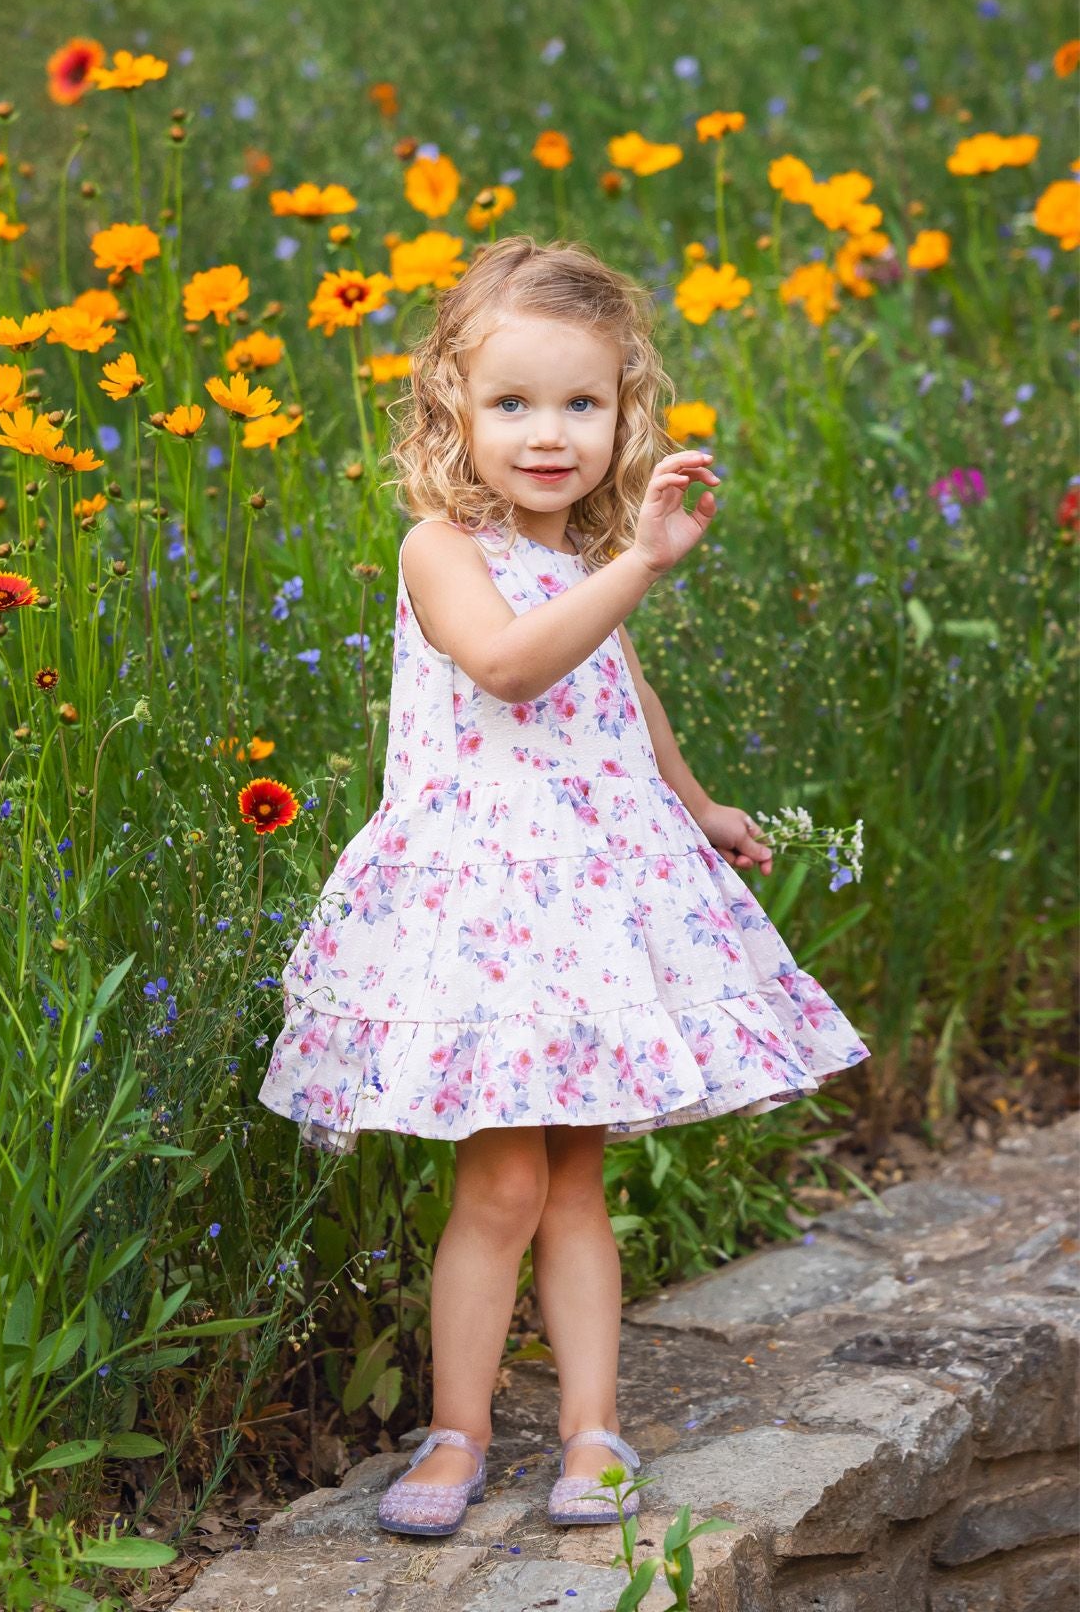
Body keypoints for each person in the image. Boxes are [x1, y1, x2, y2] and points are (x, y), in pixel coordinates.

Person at [257, 234, 871, 1538]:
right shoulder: (444, 548)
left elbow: (623, 693)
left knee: (578, 1178)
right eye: (514, 403)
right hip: (488, 916)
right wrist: (636, 565)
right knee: (502, 1186)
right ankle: (458, 1430)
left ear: (623, 416)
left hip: (595, 907)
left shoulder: (586, 568)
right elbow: (512, 670)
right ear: (453, 413)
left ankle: (594, 1427)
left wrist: (700, 808)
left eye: (582, 404)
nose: (551, 434)